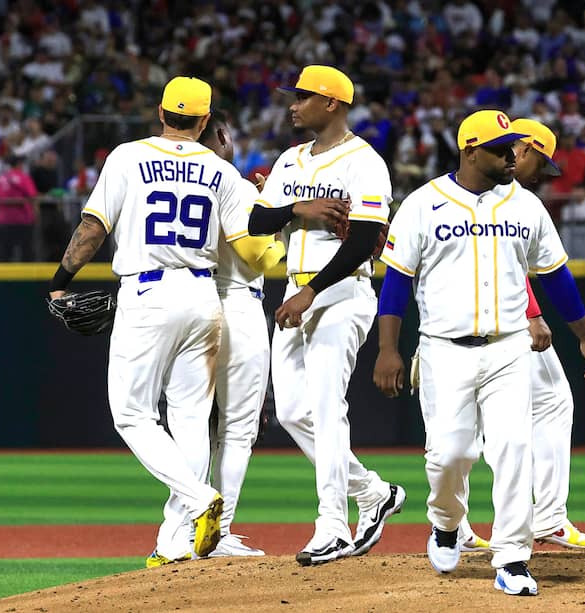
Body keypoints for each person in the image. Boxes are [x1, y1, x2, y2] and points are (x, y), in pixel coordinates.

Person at [47, 76, 284, 568]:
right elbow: (250, 244)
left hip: (148, 292)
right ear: (204, 120)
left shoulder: (128, 157)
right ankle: (176, 539)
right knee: (191, 421)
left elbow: (93, 227)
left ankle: (198, 500)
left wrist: (61, 278)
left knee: (131, 414)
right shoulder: (221, 172)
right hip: (203, 295)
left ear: (161, 112)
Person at [373, 110, 585, 597]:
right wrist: (388, 349)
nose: (510, 156)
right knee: (450, 454)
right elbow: (396, 280)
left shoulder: (526, 206)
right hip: (444, 350)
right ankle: (445, 521)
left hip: (508, 348)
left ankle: (514, 557)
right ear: (471, 150)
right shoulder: (423, 203)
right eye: (501, 148)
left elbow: (556, 277)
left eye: (512, 147)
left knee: (513, 448)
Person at [247, 65, 406, 566]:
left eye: (302, 97)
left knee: (326, 402)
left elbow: (362, 241)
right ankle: (374, 491)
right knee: (294, 411)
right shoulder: (291, 160)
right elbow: (256, 219)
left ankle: (332, 524)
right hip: (297, 293)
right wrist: (300, 208)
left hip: (340, 294)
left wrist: (311, 292)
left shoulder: (365, 162)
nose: (292, 105)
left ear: (332, 103)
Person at [456, 117, 585, 554]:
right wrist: (534, 315)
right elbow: (523, 271)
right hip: (493, 321)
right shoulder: (509, 196)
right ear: (524, 149)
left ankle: (454, 526)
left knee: (461, 427)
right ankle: (548, 518)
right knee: (547, 403)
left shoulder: (460, 188)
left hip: (451, 322)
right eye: (541, 160)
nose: (543, 173)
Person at [181, 109, 284, 557]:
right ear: (221, 134)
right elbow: (264, 257)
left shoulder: (183, 182)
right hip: (237, 304)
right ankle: (216, 533)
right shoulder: (235, 184)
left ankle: (183, 528)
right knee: (238, 429)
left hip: (192, 303)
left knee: (195, 425)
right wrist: (283, 225)